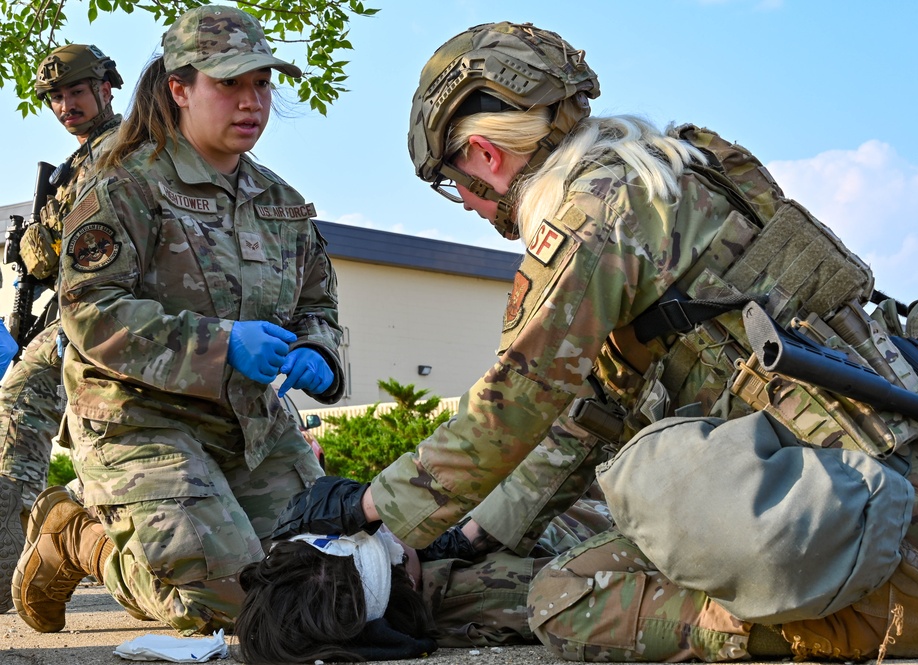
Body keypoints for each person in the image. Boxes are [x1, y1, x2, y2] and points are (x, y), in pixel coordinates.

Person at [273, 20, 918, 662]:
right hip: (897, 478)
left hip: (851, 505)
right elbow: (592, 411)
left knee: (562, 599)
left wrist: (370, 506)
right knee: (526, 552)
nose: (462, 201)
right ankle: (867, 586)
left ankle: (884, 618)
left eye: (449, 180)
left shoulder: (592, 220)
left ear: (482, 155)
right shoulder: (678, 170)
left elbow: (510, 409)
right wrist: (467, 538)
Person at [12, 4, 344, 636]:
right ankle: (75, 536)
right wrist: (221, 344)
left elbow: (317, 305)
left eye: (261, 83)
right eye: (229, 83)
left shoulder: (280, 203)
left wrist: (318, 352)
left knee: (324, 589)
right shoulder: (123, 187)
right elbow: (88, 311)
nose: (251, 102)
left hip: (250, 425)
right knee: (236, 609)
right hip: (141, 418)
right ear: (179, 88)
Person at [0, 44, 123, 614]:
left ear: (106, 89)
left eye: (75, 92)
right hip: (79, 318)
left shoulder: (122, 151)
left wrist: (34, 243)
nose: (65, 105)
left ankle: (23, 563)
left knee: (18, 411)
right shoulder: (84, 160)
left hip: (101, 316)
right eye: (55, 96)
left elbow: (66, 248)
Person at [237, 494, 613, 663]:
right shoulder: (490, 589)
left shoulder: (416, 555)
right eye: (382, 536)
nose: (389, 526)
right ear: (408, 581)